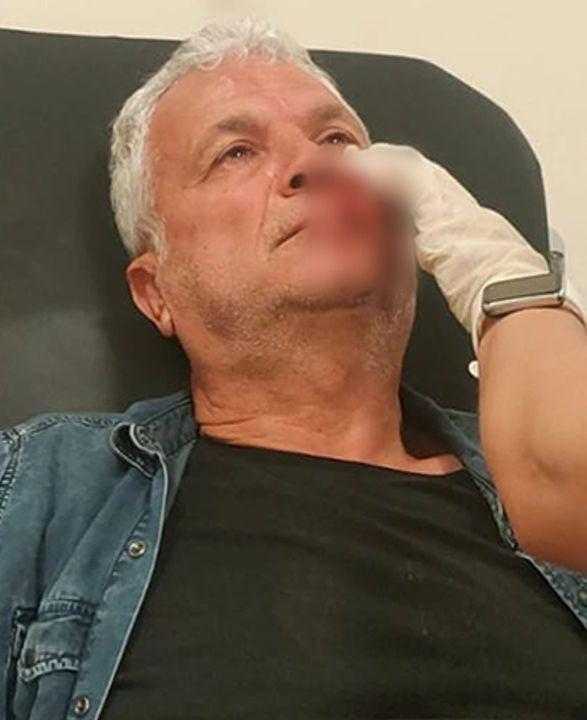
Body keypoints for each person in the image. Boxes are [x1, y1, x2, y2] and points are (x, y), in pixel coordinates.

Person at [1, 14, 587, 720]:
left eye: (337, 139)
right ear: (156, 292)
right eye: (236, 152)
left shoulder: (534, 472)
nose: (319, 164)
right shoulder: (36, 492)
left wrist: (502, 276)